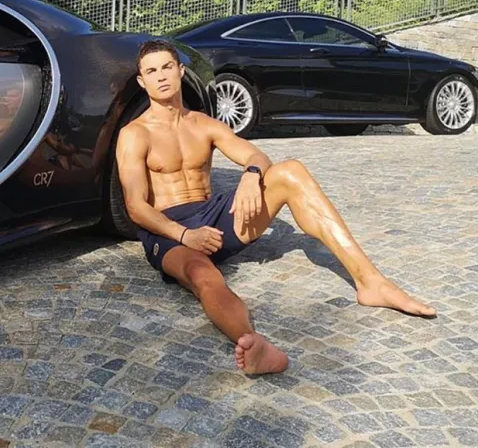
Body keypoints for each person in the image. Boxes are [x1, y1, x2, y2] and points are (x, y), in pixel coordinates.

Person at [115, 39, 436, 375]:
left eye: (167, 67)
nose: (161, 76)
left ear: (181, 71)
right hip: (169, 230)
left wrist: (251, 175)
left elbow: (255, 155)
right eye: (151, 71)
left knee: (291, 172)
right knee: (203, 276)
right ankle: (253, 343)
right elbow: (135, 207)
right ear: (142, 81)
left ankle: (371, 282)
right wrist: (185, 235)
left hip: (213, 218)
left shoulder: (203, 124)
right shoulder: (135, 134)